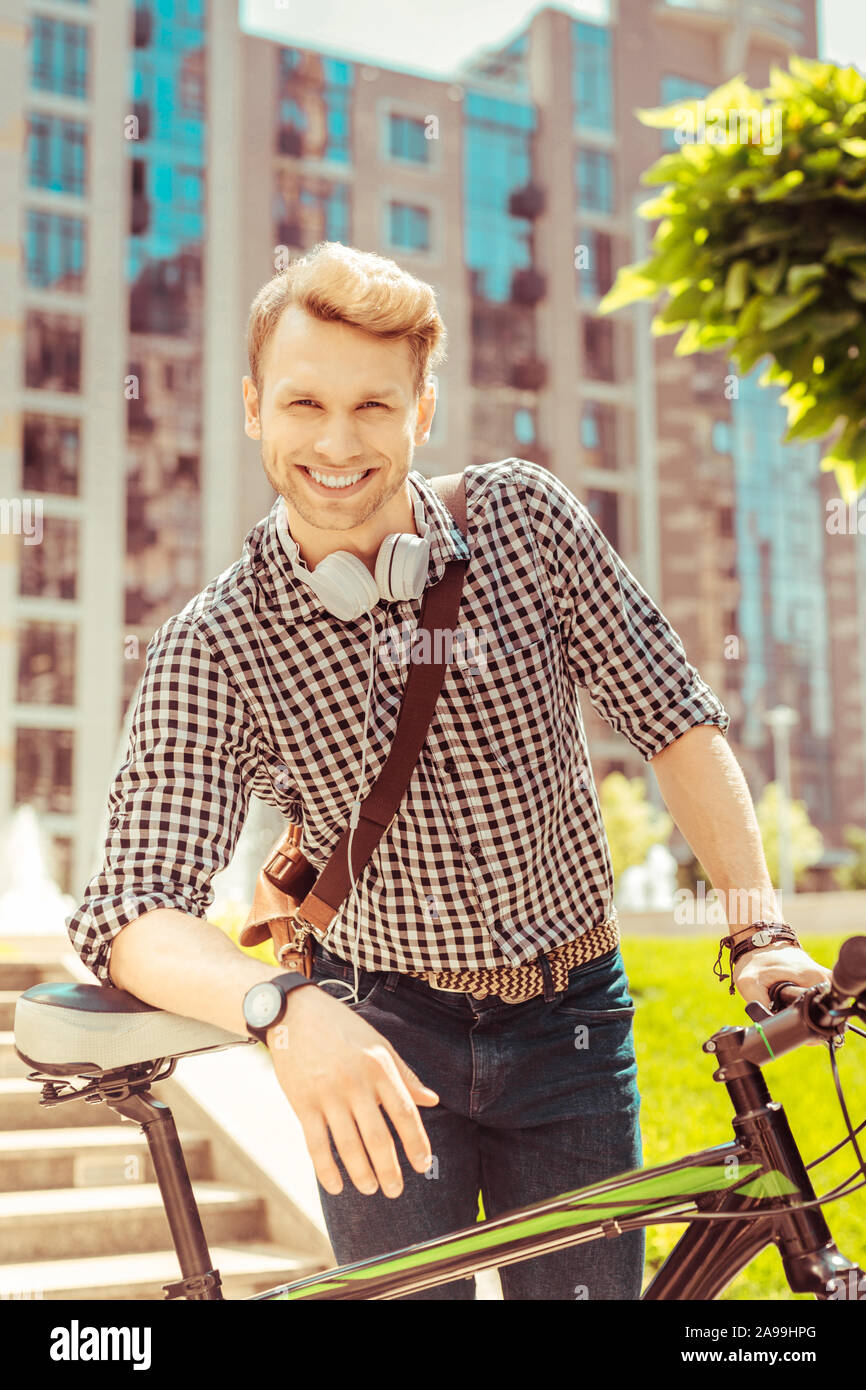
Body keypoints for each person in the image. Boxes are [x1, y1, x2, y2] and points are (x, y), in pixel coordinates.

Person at [66, 240, 832, 1300]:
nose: (336, 443)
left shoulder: (524, 521)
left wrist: (758, 929)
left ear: (422, 411)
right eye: (302, 404)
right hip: (372, 1028)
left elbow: (675, 724)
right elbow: (127, 909)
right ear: (252, 409)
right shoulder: (217, 641)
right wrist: (282, 1008)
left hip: (572, 1021)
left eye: (374, 407)